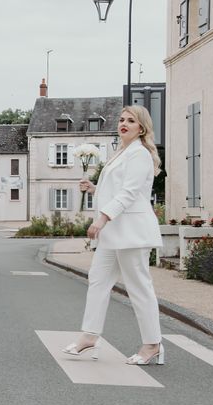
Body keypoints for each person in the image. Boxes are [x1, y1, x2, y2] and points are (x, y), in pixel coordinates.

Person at [62, 105, 165, 365]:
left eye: (131, 121)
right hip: (114, 232)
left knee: (139, 287)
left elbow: (130, 193)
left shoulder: (139, 154)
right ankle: (89, 335)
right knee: (98, 280)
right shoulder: (121, 153)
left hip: (131, 232)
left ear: (141, 128)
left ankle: (152, 344)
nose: (124, 124)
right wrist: (95, 188)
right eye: (121, 119)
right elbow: (118, 190)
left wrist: (102, 218)